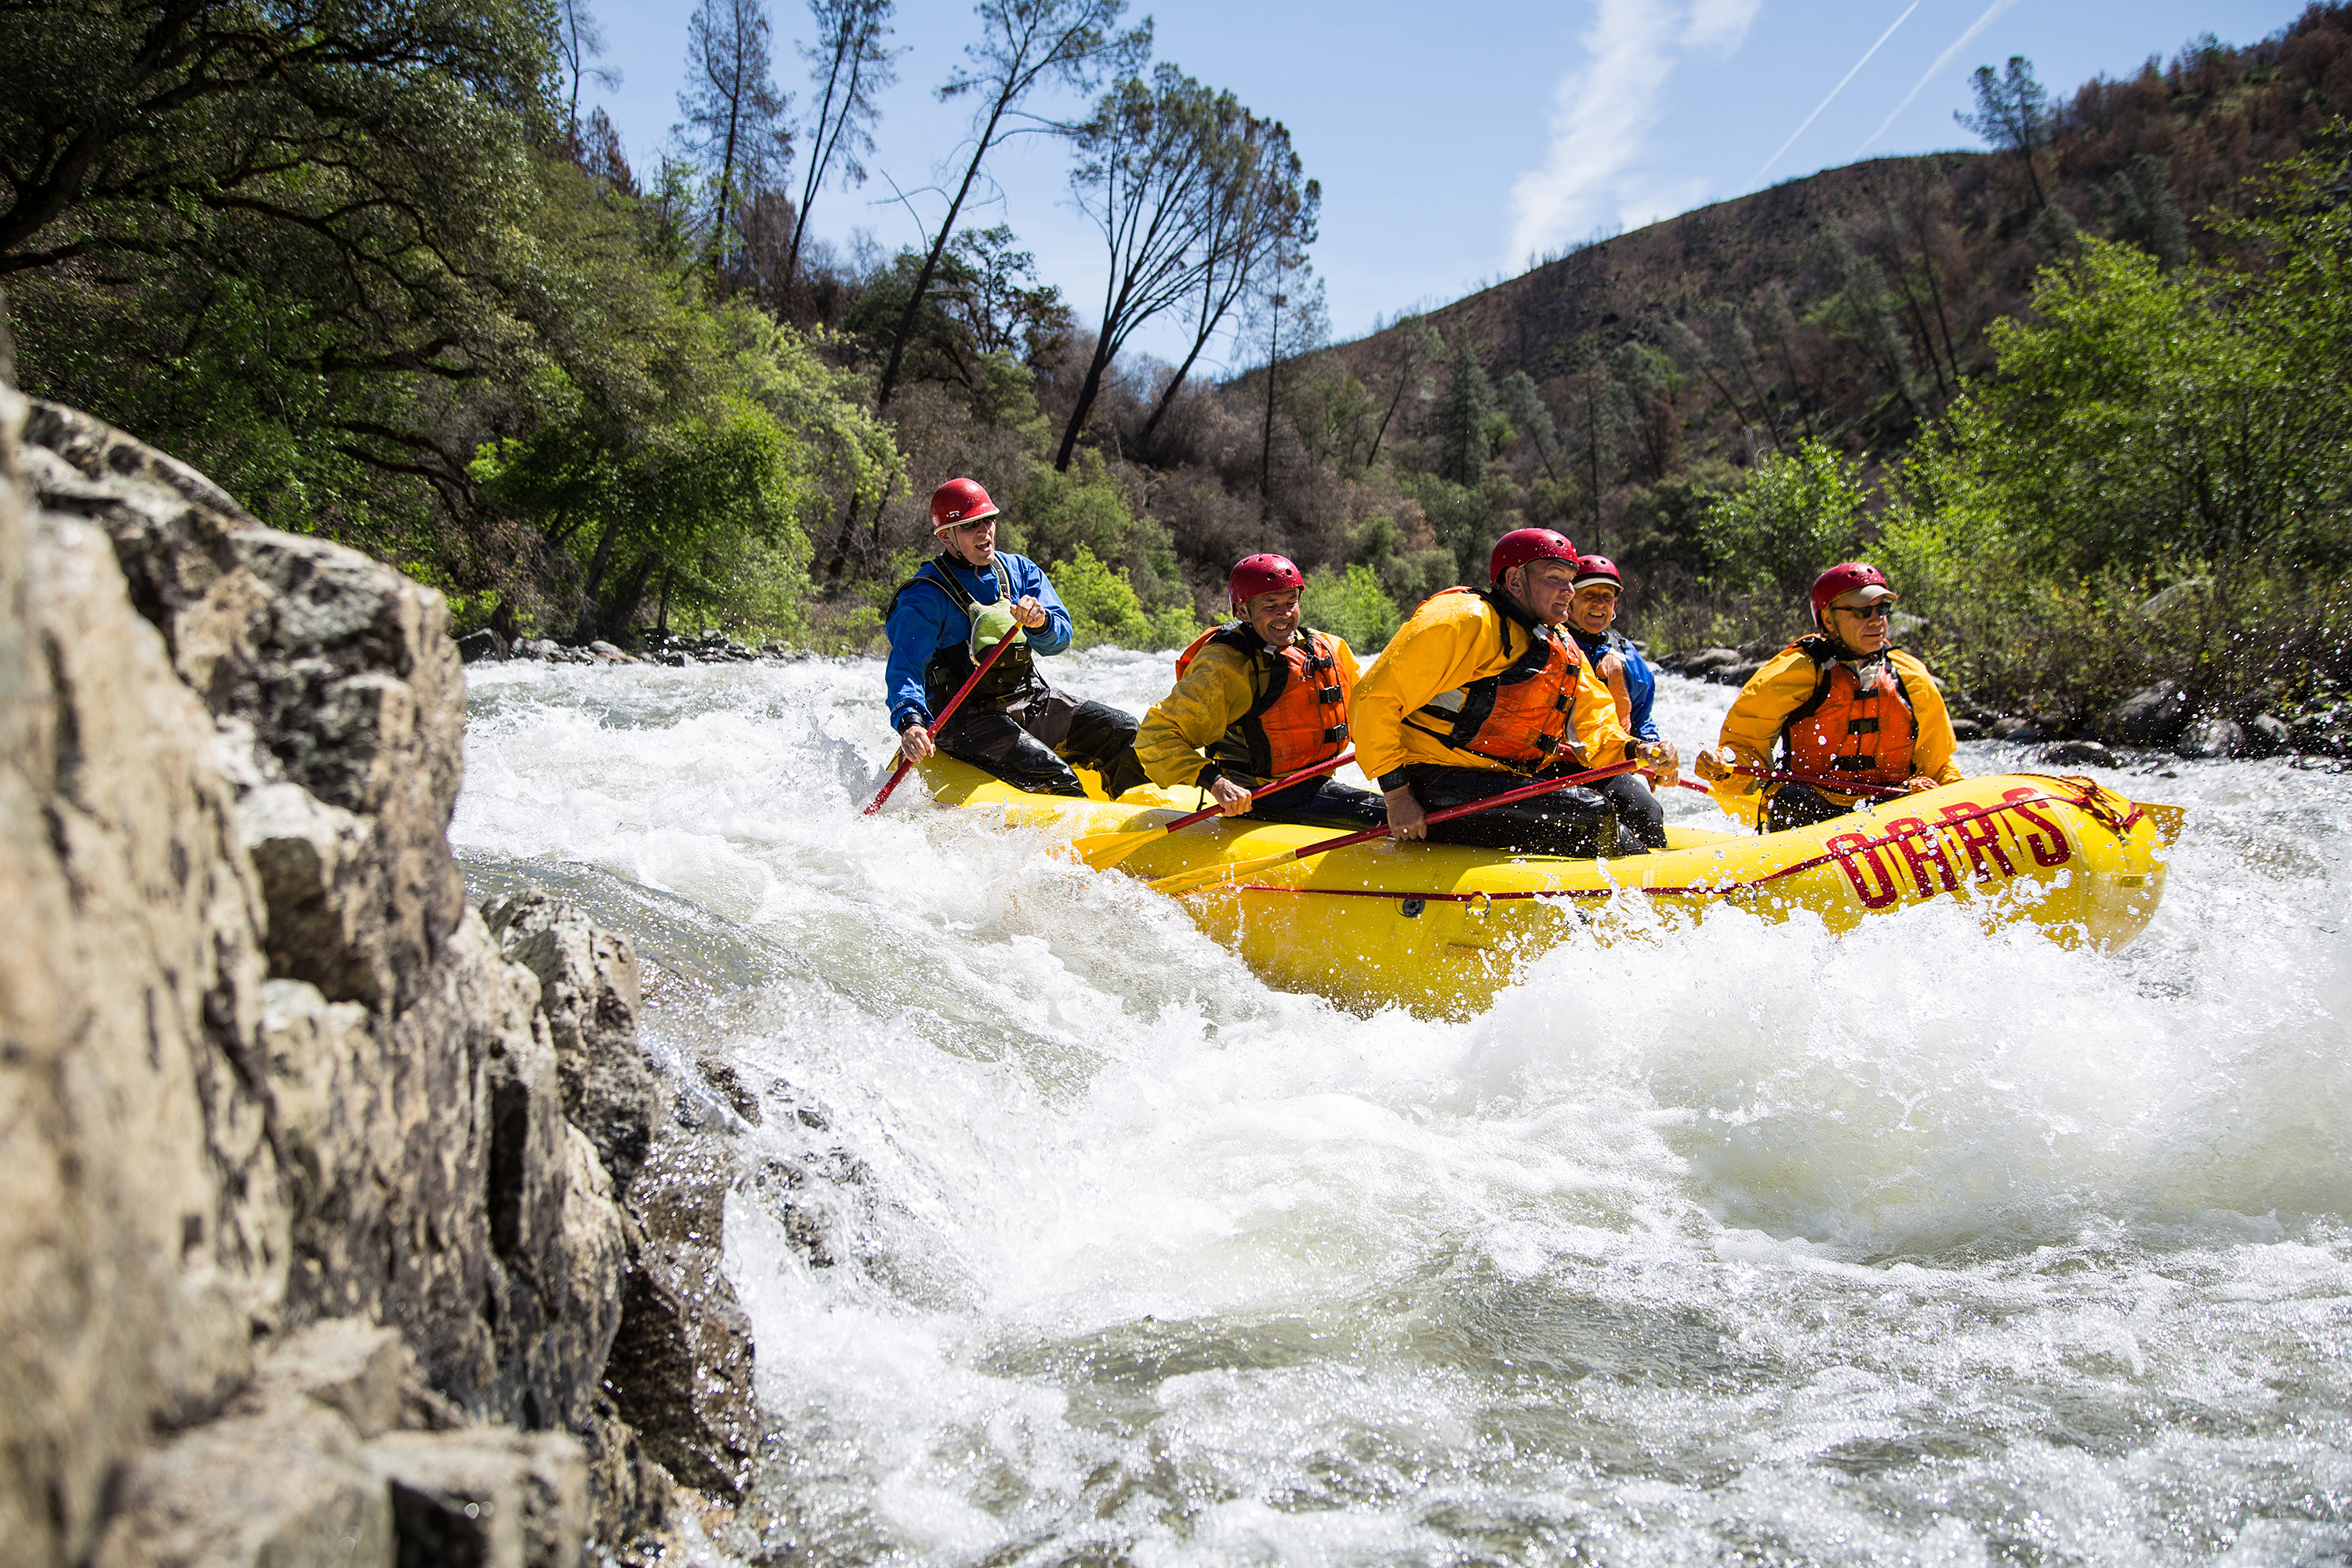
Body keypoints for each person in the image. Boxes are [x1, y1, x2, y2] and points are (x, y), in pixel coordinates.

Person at [1352, 528, 1681, 856]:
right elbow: (1372, 699)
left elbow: (1594, 721)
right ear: (1514, 580)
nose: (1569, 591)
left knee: (1640, 806)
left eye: (1570, 579)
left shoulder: (1561, 643)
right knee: (1591, 817)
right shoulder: (1462, 621)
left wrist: (1637, 749)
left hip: (1511, 773)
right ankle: (1624, 895)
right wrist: (1397, 797)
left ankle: (1663, 889)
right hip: (1436, 780)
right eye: (1555, 578)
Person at [884, 477, 1148, 799]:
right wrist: (910, 722)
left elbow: (1060, 640)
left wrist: (1040, 622)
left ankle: (1139, 822)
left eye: (988, 521)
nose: (984, 532)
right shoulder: (924, 596)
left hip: (1027, 699)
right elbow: (905, 669)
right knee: (1056, 778)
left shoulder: (1020, 571)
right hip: (966, 721)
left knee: (1123, 730)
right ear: (946, 537)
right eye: (970, 526)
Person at [1696, 561, 1963, 831]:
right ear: (1827, 619)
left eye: (1882, 609)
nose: (1876, 619)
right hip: (1818, 810)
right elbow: (1744, 750)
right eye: (1862, 611)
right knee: (1792, 798)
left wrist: (1947, 797)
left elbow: (1939, 764)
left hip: (1893, 808)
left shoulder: (1910, 675)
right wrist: (1722, 765)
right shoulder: (1794, 671)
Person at [1134, 554, 1387, 829]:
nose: (1285, 614)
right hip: (1259, 797)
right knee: (1389, 813)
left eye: (1291, 602)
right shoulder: (1225, 666)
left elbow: (1371, 715)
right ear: (1243, 612)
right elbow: (1155, 736)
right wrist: (1216, 783)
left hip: (1317, 783)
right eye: (1271, 605)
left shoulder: (1328, 647)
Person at [1559, 554, 1668, 850]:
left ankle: (1657, 882)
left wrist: (1653, 752)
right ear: (1569, 599)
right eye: (1589, 595)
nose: (1599, 603)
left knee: (1646, 810)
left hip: (1605, 765)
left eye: (1607, 597)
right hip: (1553, 766)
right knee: (1596, 818)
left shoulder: (1630, 661)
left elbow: (1642, 719)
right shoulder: (1552, 644)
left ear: (1615, 605)